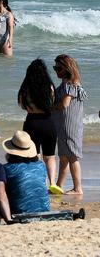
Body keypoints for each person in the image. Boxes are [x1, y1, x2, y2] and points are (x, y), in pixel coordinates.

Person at [17, 59, 58, 190]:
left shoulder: (26, 88)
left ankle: (40, 182)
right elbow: (52, 104)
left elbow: (23, 106)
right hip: (48, 122)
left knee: (35, 155)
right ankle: (52, 183)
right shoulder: (50, 87)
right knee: (50, 156)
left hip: (32, 123)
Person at [53, 54, 88, 195]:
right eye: (54, 68)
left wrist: (52, 106)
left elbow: (65, 104)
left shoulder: (71, 84)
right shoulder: (66, 84)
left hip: (70, 125)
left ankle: (77, 188)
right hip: (64, 125)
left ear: (66, 68)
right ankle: (59, 186)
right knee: (63, 156)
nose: (56, 71)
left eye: (58, 68)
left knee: (72, 156)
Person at [1, 131, 50, 214]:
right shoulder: (41, 165)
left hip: (20, 212)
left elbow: (1, 194)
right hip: (44, 209)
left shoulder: (7, 169)